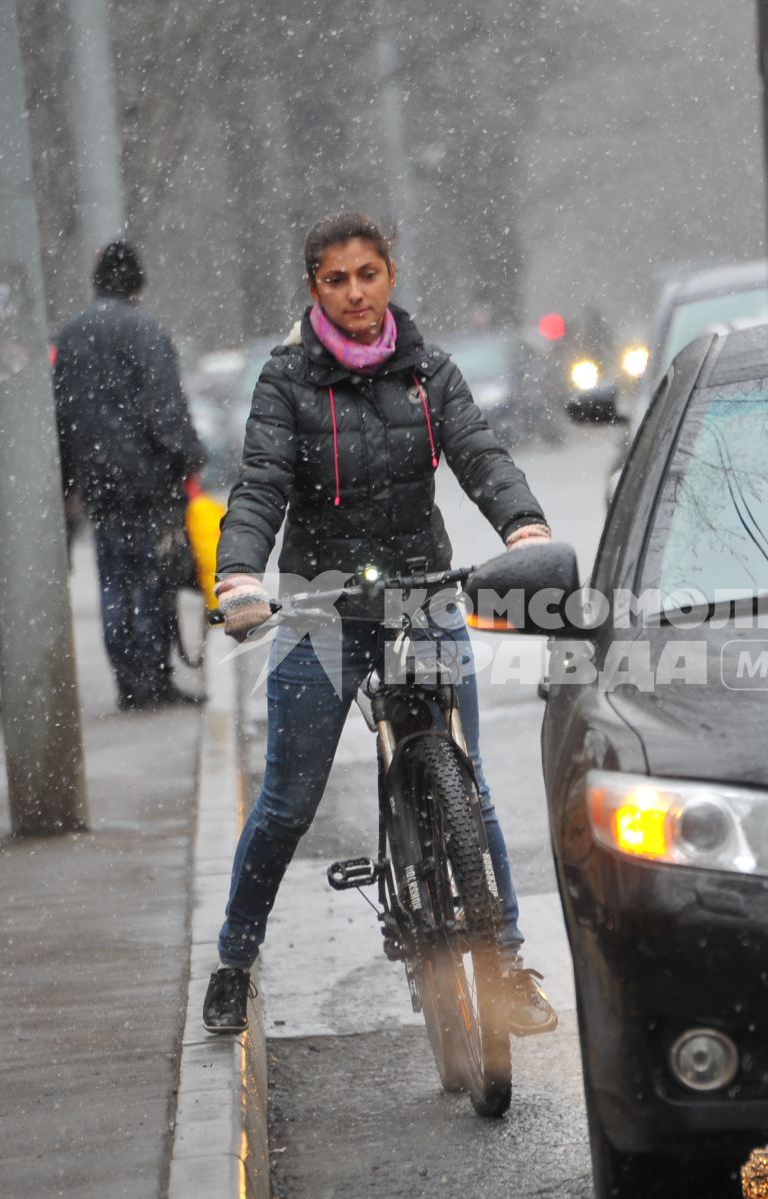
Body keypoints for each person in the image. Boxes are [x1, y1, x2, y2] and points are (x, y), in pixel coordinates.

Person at [202, 212, 558, 1036]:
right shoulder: (287, 380)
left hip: (421, 591)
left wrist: (524, 528)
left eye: (368, 274)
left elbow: (481, 453)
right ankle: (234, 958)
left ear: (391, 274)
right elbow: (258, 485)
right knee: (288, 800)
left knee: (468, 780)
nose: (355, 292)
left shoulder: (430, 370)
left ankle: (504, 964)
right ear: (314, 288)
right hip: (322, 604)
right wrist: (241, 573)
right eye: (337, 278)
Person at [54, 240, 207, 710]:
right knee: (151, 576)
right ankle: (154, 679)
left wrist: (69, 479)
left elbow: (61, 414)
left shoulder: (70, 335)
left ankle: (128, 680)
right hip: (148, 480)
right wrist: (188, 457)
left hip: (97, 483)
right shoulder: (146, 330)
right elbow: (164, 406)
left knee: (112, 579)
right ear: (137, 282)